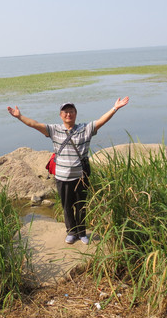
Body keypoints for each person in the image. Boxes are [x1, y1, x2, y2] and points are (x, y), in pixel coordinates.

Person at [7, 97, 130, 244]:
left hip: (81, 176)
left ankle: (82, 232)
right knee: (66, 206)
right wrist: (19, 116)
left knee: (81, 205)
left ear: (75, 114)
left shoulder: (85, 129)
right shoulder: (54, 130)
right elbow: (34, 124)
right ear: (61, 115)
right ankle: (71, 232)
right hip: (62, 177)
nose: (68, 115)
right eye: (65, 112)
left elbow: (102, 120)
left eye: (71, 111)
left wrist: (115, 108)